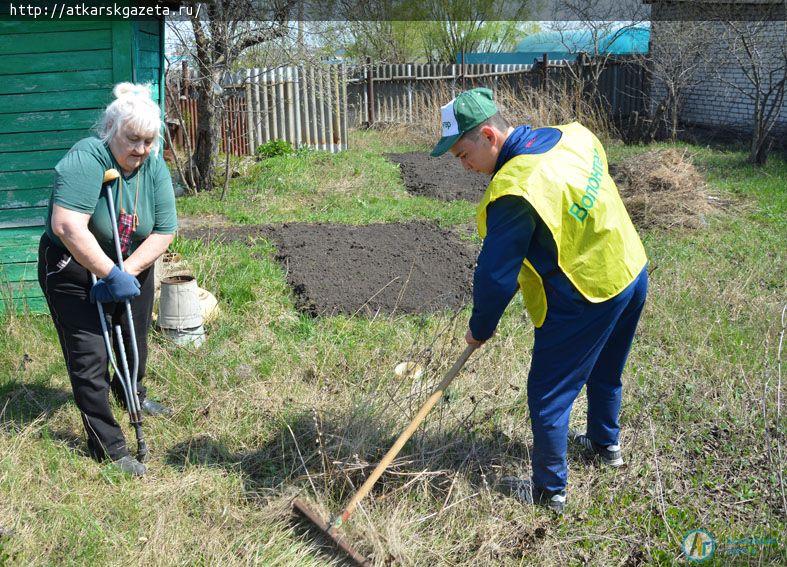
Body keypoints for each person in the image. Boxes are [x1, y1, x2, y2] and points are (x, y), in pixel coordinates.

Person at [431, 88, 648, 512]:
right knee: (606, 369)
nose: (464, 166)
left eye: (462, 154)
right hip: (629, 267)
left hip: (588, 291)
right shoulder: (572, 135)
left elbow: (495, 277)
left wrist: (479, 328)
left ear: (489, 136)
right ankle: (606, 445)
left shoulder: (515, 189)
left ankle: (550, 491)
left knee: (548, 394)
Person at [37, 83, 178, 477]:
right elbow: (66, 225)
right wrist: (107, 272)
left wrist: (124, 273)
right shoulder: (87, 158)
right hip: (73, 265)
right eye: (133, 139)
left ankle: (131, 391)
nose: (141, 149)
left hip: (128, 262)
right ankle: (108, 446)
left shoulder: (152, 164)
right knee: (90, 354)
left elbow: (165, 229)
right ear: (111, 128)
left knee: (134, 338)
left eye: (149, 140)